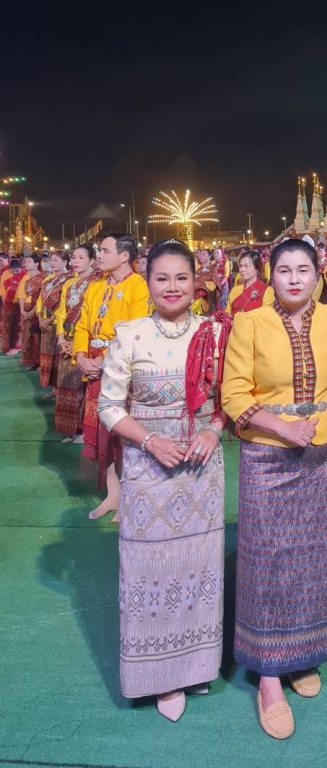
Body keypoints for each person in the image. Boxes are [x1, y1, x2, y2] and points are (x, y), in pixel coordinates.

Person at [222, 238, 327, 740]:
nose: (294, 278)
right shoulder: (250, 322)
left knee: (316, 556)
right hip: (268, 455)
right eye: (284, 270)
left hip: (322, 454)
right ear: (270, 275)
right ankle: (268, 675)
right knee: (267, 557)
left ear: (319, 275)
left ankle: (302, 654)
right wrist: (283, 427)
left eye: (304, 269)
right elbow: (233, 393)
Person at [97, 239, 228, 721]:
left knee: (199, 567)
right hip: (148, 470)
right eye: (162, 278)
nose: (172, 287)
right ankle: (158, 676)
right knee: (149, 570)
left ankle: (195, 666)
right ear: (147, 281)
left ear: (196, 281)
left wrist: (214, 431)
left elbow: (229, 399)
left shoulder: (216, 332)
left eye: (181, 278)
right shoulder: (129, 335)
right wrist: (151, 442)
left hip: (201, 471)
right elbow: (109, 406)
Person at [72, 233, 151, 520]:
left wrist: (104, 360)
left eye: (105, 251)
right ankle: (112, 495)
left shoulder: (139, 286)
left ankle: (130, 496)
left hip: (122, 371)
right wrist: (80, 356)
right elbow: (82, 326)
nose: (100, 255)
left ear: (124, 256)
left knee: (123, 436)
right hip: (93, 369)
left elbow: (136, 331)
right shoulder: (96, 286)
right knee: (102, 435)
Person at [53, 244, 101, 440]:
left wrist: (78, 344)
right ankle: (70, 429)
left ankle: (84, 430)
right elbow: (61, 313)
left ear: (92, 261)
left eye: (81, 257)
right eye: (74, 257)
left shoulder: (97, 283)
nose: (75, 261)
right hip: (66, 341)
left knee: (82, 387)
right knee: (66, 387)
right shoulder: (68, 284)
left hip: (85, 343)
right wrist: (61, 339)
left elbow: (95, 317)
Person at [36, 249, 71, 396]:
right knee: (47, 357)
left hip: (58, 324)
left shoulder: (70, 279)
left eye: (56, 260)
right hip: (45, 324)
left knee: (58, 359)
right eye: (51, 260)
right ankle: (53, 388)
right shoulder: (47, 280)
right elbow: (39, 301)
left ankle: (59, 388)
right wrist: (40, 318)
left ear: (65, 262)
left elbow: (64, 305)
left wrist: (49, 320)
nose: (52, 262)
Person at [18, 253, 45, 370]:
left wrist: (33, 312)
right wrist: (22, 310)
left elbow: (42, 298)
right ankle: (33, 361)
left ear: (36, 263)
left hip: (37, 310)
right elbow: (21, 295)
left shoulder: (43, 278)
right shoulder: (25, 277)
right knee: (27, 337)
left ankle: (40, 362)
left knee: (37, 336)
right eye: (25, 261)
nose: (26, 263)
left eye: (29, 261)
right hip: (26, 310)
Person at [227, 250, 270, 314]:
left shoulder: (267, 290)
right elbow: (228, 314)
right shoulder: (234, 291)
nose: (242, 270)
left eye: (246, 266)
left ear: (257, 268)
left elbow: (267, 316)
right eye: (240, 266)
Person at [1, 258, 25, 354]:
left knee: (19, 325)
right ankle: (6, 346)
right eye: (13, 270)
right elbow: (3, 291)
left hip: (21, 303)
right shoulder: (5, 274)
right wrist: (5, 305)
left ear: (21, 268)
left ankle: (17, 346)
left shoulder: (25, 274)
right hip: (8, 304)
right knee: (7, 326)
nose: (15, 272)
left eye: (17, 270)